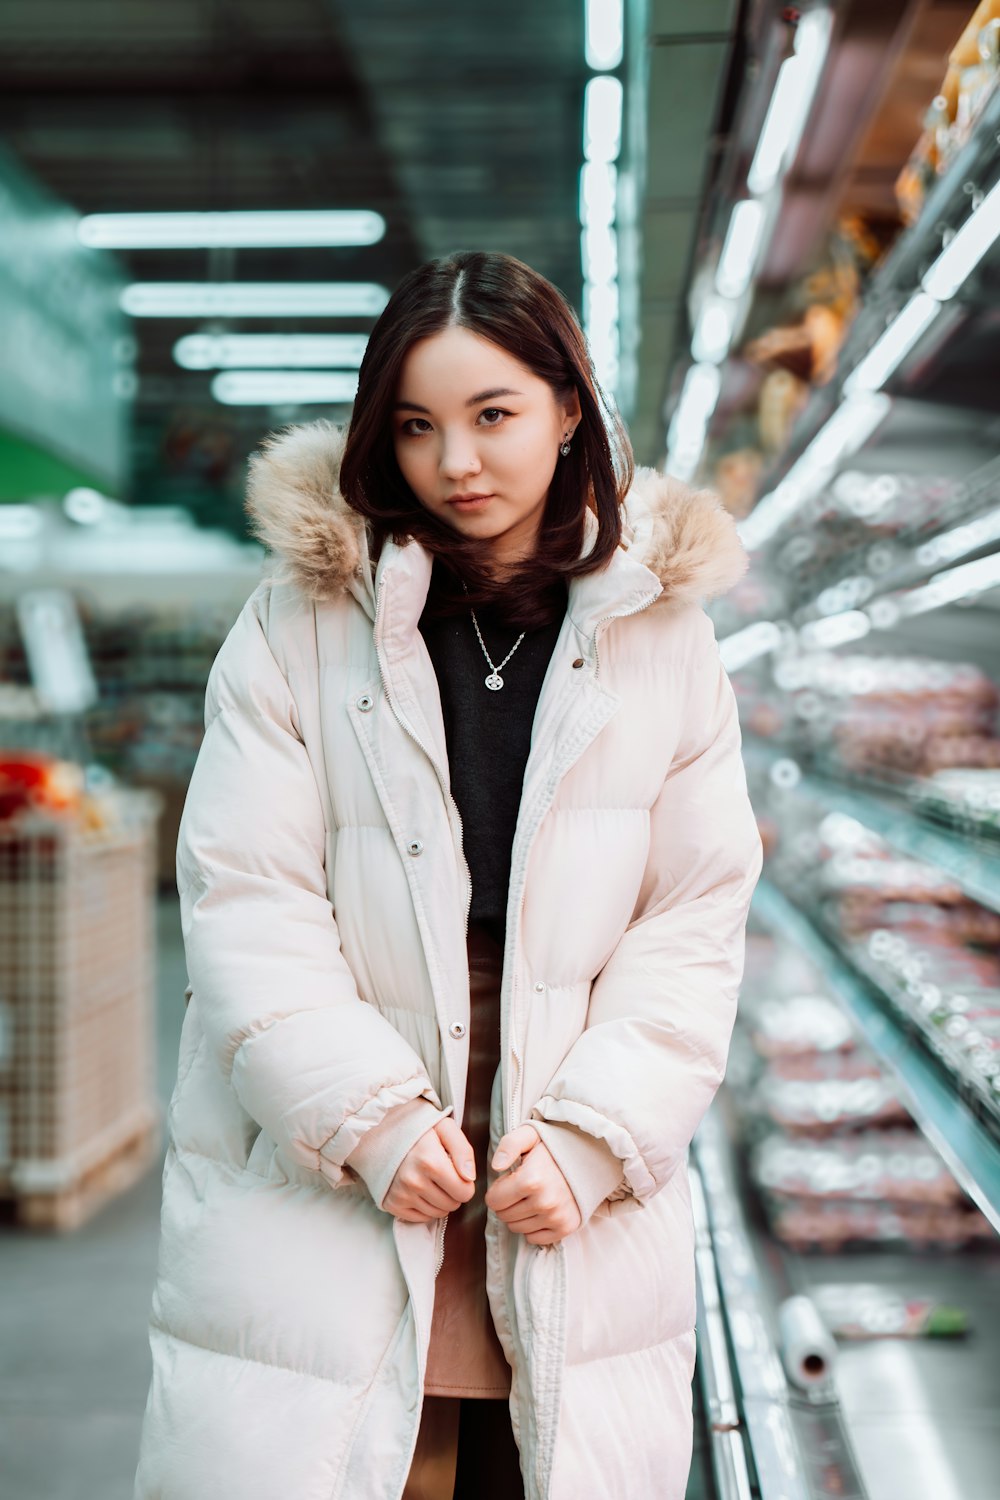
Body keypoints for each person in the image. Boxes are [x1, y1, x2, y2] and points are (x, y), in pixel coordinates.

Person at [133, 250, 763, 1500]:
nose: (456, 464)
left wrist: (595, 1137)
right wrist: (365, 1116)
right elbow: (247, 892)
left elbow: (692, 915)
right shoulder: (297, 622)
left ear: (569, 409)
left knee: (534, 1457)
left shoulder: (661, 636)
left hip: (562, 1116)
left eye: (493, 416)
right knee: (350, 1449)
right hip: (339, 1120)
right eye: (417, 426)